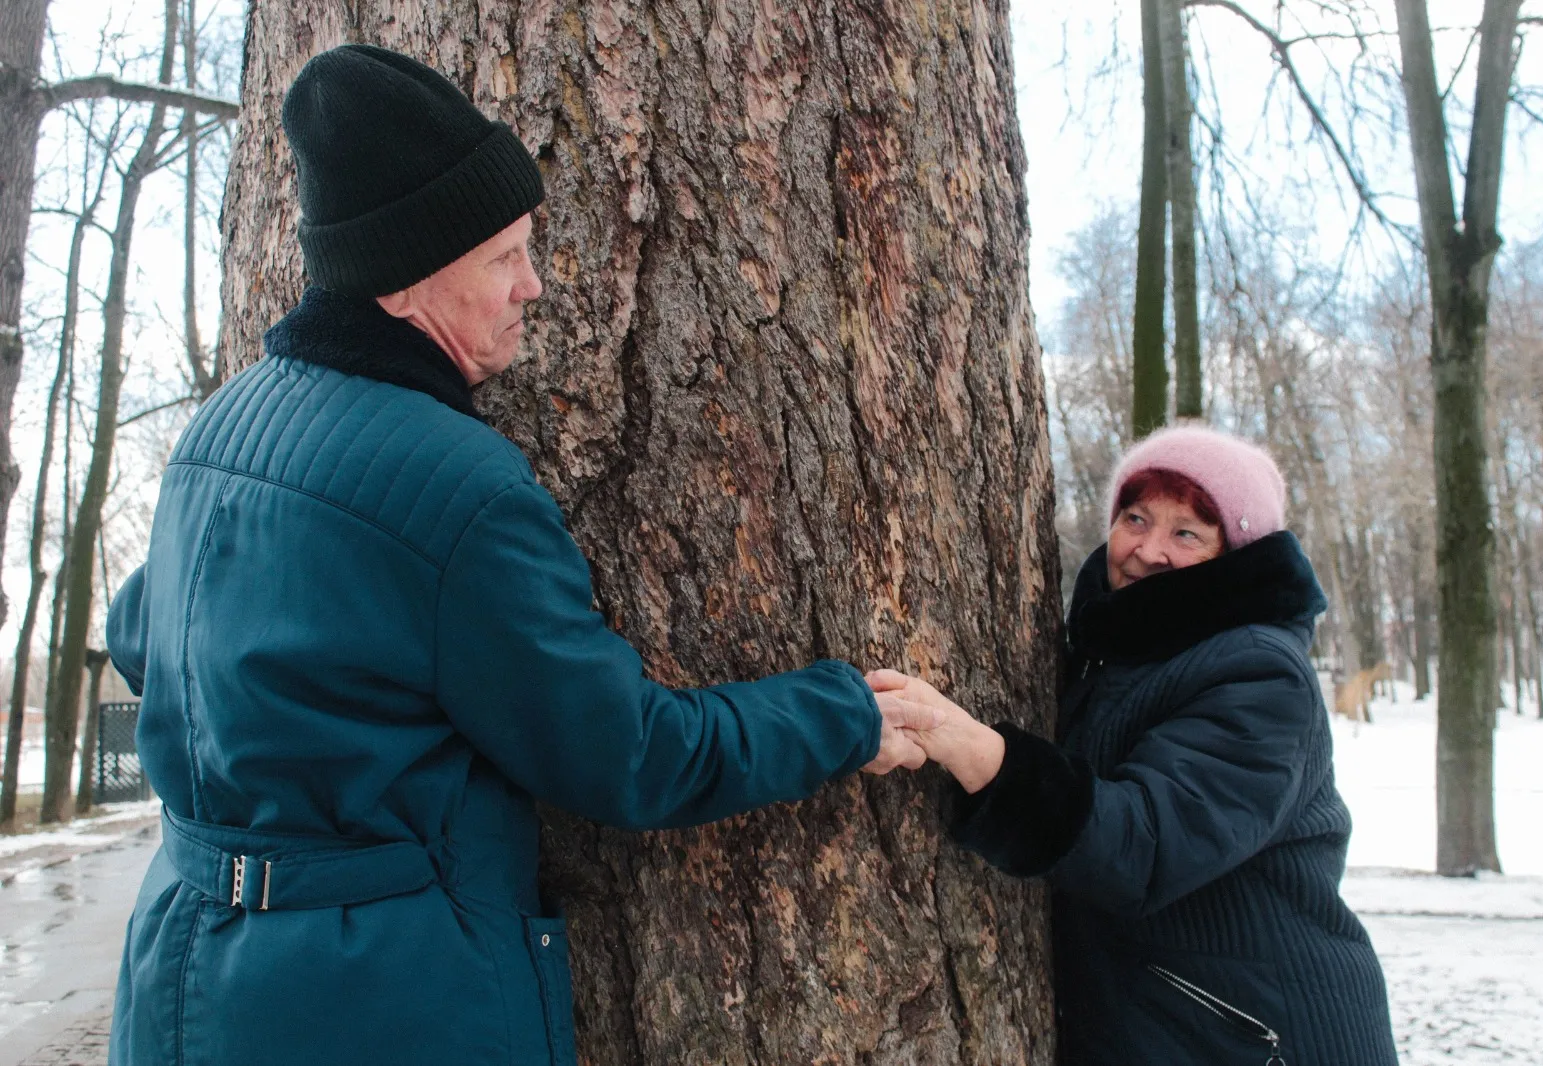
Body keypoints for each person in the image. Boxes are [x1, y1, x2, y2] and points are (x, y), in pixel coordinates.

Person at [104, 44, 935, 1066]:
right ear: (407, 281)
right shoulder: (456, 490)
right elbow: (627, 755)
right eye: (504, 258)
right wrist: (843, 715)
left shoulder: (220, 428)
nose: (532, 287)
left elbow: (141, 636)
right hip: (369, 1005)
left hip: (180, 976)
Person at [872, 426, 1400, 1065]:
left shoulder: (1262, 675)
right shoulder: (1120, 649)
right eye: (1136, 518)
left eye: (1187, 533)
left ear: (1235, 555)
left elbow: (1146, 847)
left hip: (1259, 1038)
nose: (1149, 551)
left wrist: (967, 745)